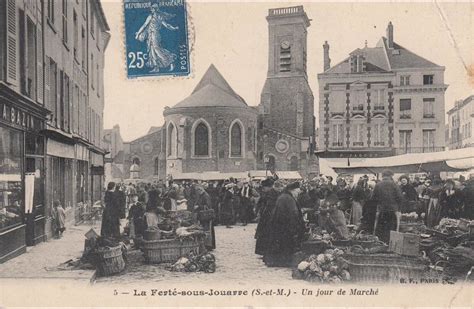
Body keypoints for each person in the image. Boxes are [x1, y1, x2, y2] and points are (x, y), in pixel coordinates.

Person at [264, 182, 305, 267]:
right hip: (285, 226)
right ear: (292, 190)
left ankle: (276, 261)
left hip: (279, 225)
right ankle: (283, 262)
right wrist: (296, 226)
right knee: (285, 244)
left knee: (278, 244)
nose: (299, 192)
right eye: (297, 190)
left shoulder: (284, 196)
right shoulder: (288, 198)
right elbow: (293, 213)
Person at [372, 170, 403, 244]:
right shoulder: (394, 185)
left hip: (382, 210)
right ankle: (391, 243)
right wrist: (399, 209)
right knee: (391, 227)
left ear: (383, 176)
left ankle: (381, 243)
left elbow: (373, 198)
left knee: (381, 227)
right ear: (390, 176)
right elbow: (400, 198)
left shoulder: (378, 185)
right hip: (392, 210)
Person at [255, 178, 278, 256]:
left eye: (264, 188)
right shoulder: (267, 194)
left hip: (268, 217)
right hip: (264, 216)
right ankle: (262, 251)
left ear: (269, 187)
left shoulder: (271, 194)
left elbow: (269, 206)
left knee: (265, 234)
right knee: (263, 234)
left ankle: (264, 251)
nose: (263, 189)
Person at [194, 185, 216, 250]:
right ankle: (207, 245)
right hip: (204, 216)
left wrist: (198, 206)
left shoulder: (205, 196)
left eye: (198, 191)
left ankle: (208, 245)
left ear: (201, 190)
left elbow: (208, 206)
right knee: (206, 230)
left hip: (206, 217)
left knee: (207, 230)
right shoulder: (202, 195)